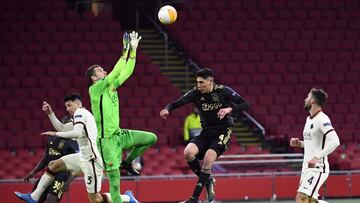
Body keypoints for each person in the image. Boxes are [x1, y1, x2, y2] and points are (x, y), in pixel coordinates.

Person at [15, 94, 139, 203]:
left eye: (69, 105)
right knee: (53, 165)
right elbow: (63, 128)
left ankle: (127, 198)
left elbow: (77, 134)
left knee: (96, 200)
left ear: (78, 104)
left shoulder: (80, 113)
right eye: (66, 106)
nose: (67, 109)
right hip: (83, 157)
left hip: (92, 160)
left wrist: (55, 134)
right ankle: (34, 197)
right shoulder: (80, 116)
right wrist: (50, 114)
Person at [86, 31, 157, 203]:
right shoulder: (95, 90)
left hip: (119, 135)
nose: (104, 71)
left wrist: (133, 52)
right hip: (107, 141)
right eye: (100, 71)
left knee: (151, 138)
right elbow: (117, 70)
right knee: (115, 184)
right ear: (94, 78)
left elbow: (126, 72)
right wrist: (126, 49)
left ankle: (128, 161)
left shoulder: (111, 88)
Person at [160, 68, 250, 203]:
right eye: (197, 82)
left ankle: (194, 198)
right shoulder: (195, 93)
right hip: (206, 132)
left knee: (208, 159)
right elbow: (175, 103)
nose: (199, 85)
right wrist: (167, 109)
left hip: (223, 131)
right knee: (188, 153)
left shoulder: (223, 91)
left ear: (210, 81)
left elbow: (245, 104)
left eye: (202, 82)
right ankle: (208, 181)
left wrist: (229, 109)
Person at [290, 88, 340, 203]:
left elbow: (335, 141)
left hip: (317, 168)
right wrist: (300, 144)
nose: (305, 99)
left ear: (312, 101)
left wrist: (317, 157)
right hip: (306, 167)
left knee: (301, 199)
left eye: (307, 97)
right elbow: (313, 143)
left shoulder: (322, 119)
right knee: (310, 200)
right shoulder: (308, 119)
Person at [21, 115, 78, 203]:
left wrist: (69, 182)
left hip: (61, 176)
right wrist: (33, 172)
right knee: (34, 199)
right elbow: (45, 158)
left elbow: (77, 164)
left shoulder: (74, 142)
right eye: (65, 124)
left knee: (51, 201)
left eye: (70, 124)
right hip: (48, 174)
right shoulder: (52, 138)